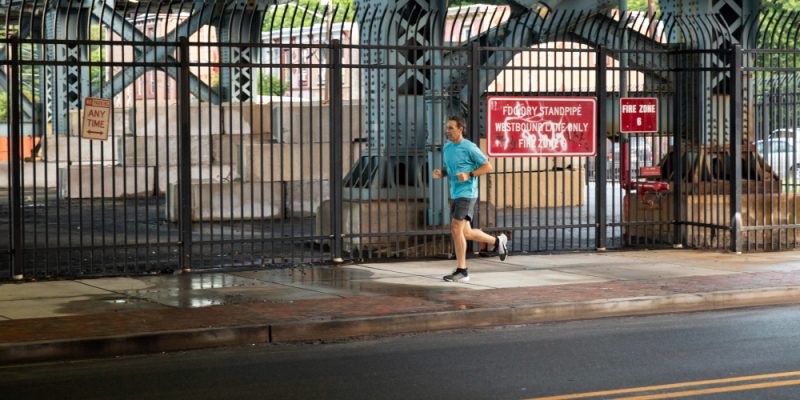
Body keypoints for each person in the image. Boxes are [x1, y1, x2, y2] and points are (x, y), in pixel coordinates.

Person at [432, 115, 508, 283]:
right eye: (447, 128)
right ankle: (498, 241)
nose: (447, 131)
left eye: (451, 128)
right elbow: (451, 167)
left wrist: (469, 174)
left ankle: (462, 270)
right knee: (465, 232)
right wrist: (442, 173)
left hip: (467, 193)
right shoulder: (447, 148)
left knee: (455, 228)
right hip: (455, 193)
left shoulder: (469, 147)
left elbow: (488, 166)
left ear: (461, 129)